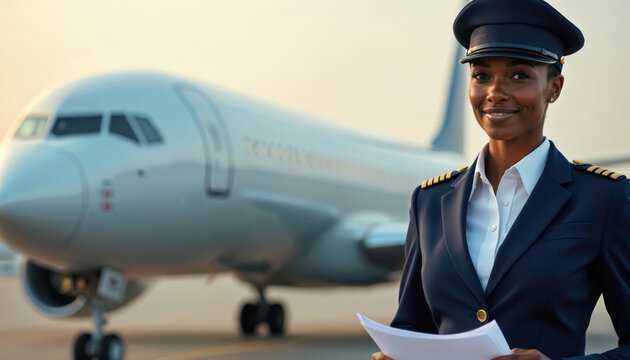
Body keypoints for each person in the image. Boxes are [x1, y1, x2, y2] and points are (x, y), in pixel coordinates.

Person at [371, 0, 630, 359]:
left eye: (519, 75)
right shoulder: (429, 202)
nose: (495, 91)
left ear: (554, 87)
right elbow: (413, 328)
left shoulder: (604, 199)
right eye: (481, 75)